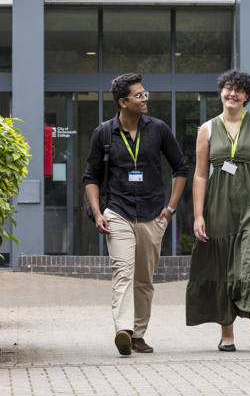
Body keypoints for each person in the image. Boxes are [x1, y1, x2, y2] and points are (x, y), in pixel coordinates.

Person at [84, 72, 189, 356]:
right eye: (139, 95)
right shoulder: (103, 133)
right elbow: (91, 176)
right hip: (117, 211)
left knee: (144, 278)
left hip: (153, 213)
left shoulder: (158, 129)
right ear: (123, 102)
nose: (145, 99)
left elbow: (181, 167)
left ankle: (138, 334)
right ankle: (124, 329)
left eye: (145, 94)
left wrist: (170, 208)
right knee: (123, 272)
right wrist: (97, 213)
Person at [185, 70, 250, 353]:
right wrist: (199, 215)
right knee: (223, 264)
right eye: (227, 88)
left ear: (246, 96)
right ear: (221, 92)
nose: (232, 94)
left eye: (238, 90)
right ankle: (227, 335)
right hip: (219, 207)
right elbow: (200, 175)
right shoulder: (208, 129)